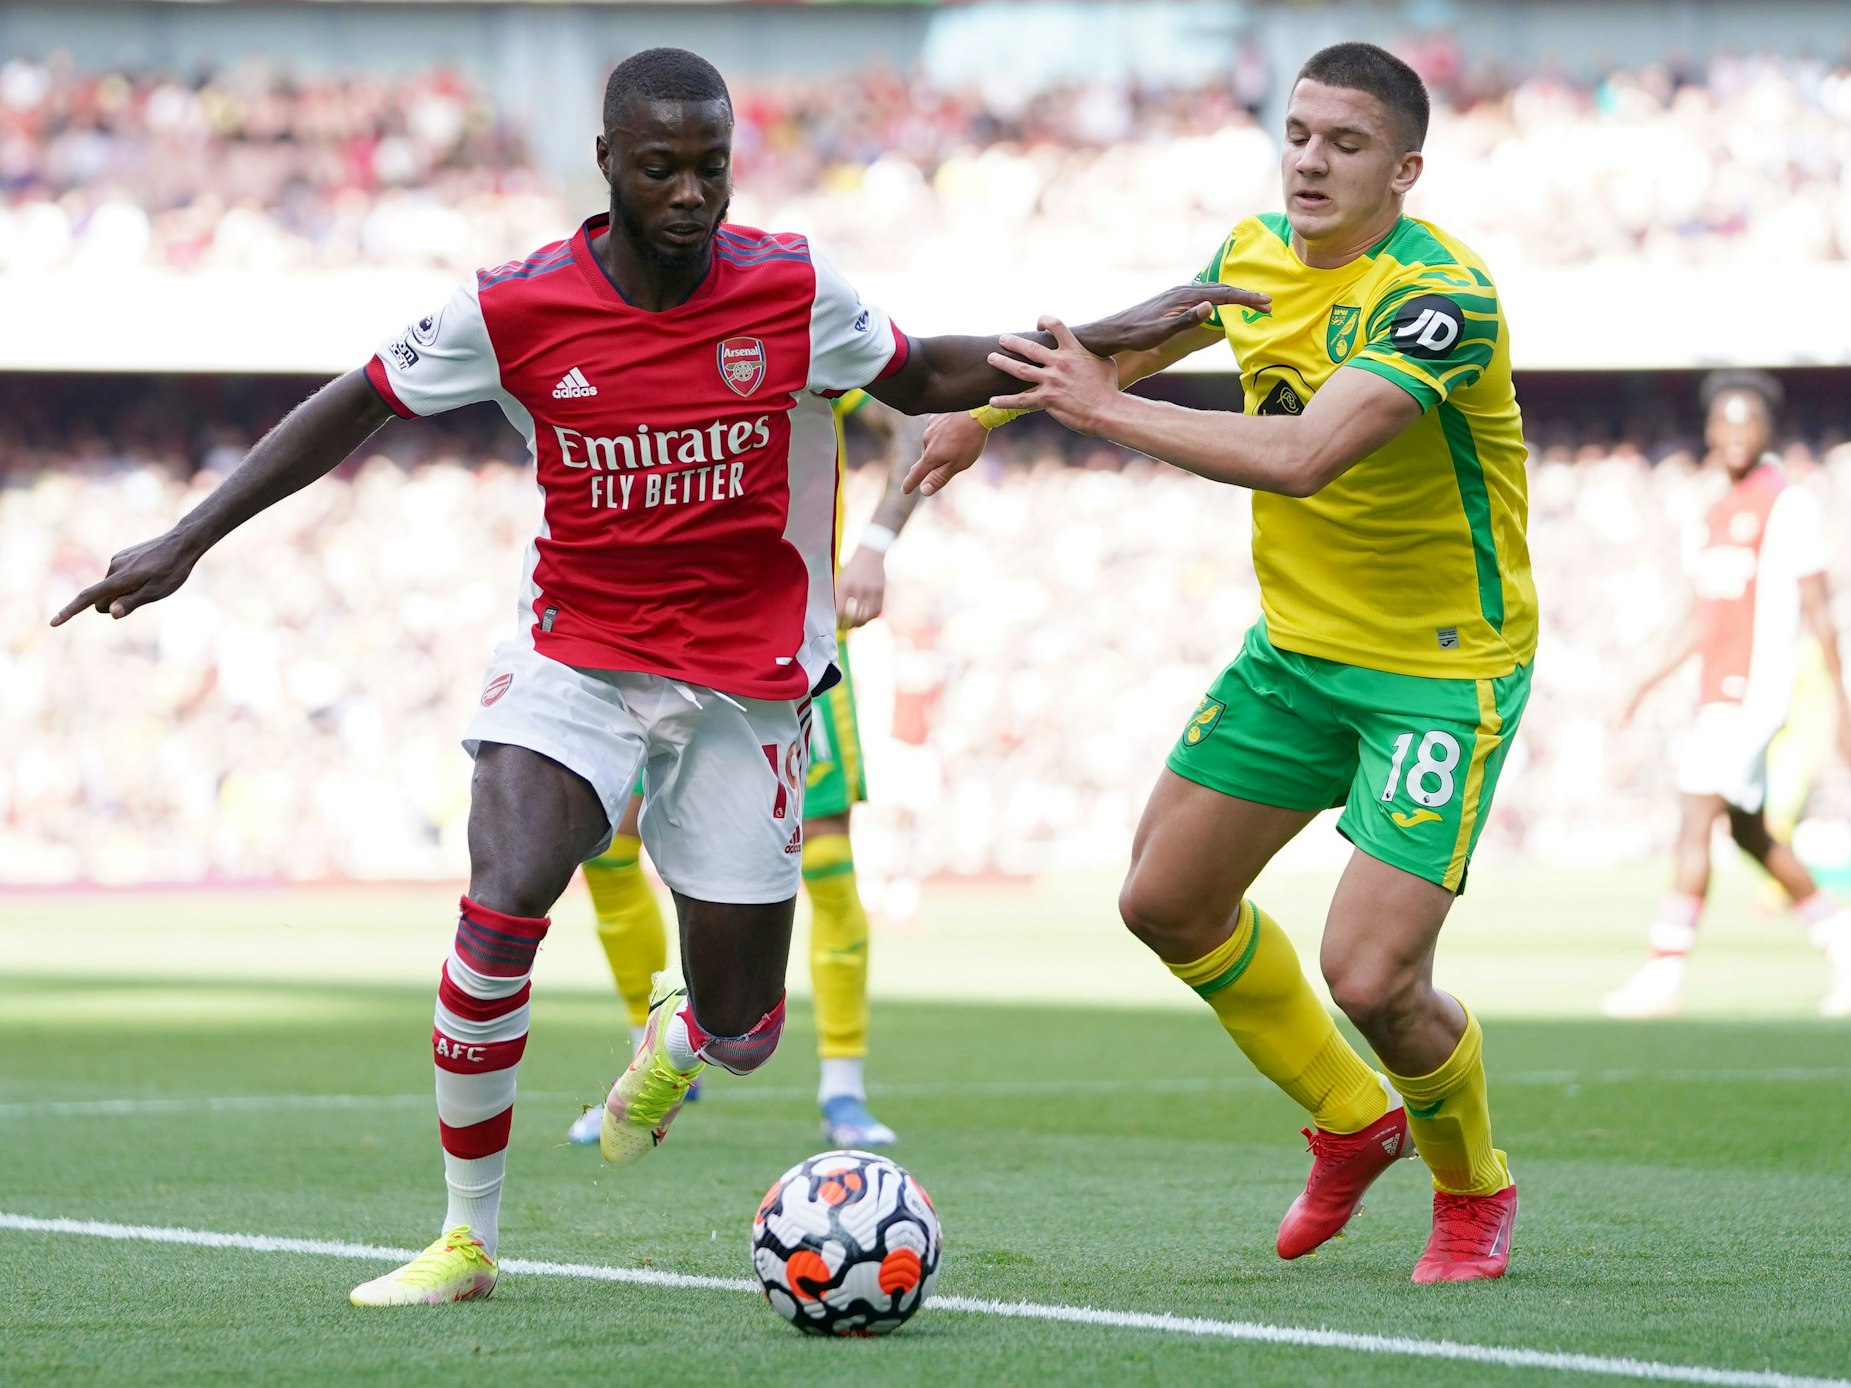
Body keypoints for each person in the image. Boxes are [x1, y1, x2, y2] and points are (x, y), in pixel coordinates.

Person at [51, 47, 1254, 1307]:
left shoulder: (792, 288)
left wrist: (1119, 329)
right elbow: (353, 403)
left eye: (712, 167)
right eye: (664, 168)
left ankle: (685, 1030)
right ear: (609, 165)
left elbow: (925, 371)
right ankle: (466, 1239)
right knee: (502, 899)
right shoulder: (515, 308)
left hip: (754, 678)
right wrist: (185, 537)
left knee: (744, 1033)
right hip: (579, 653)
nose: (691, 194)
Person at [909, 42, 1534, 1283]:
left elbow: (1305, 453)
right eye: (1299, 132)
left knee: (1373, 973)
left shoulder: (1441, 300)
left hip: (1436, 668)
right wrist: (982, 414)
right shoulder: (1250, 251)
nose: (1310, 158)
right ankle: (1353, 1122)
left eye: (1345, 143)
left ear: (1405, 169)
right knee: (1163, 900)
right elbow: (1129, 347)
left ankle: (1473, 1185)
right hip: (1298, 653)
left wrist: (1090, 410)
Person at [566, 388, 923, 1149]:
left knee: (824, 860)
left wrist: (876, 544)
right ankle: (655, 1059)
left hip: (789, 646)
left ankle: (843, 1091)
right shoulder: (649, 335)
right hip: (653, 638)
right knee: (606, 848)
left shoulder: (802, 329)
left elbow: (914, 418)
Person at [1604, 372, 1851, 1019]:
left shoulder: (1786, 504)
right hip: (1717, 692)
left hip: (1756, 690)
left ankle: (1662, 974)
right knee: (1745, 832)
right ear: (1710, 431)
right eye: (1725, 423)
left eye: (1749, 424)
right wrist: (1642, 684)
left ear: (1766, 432)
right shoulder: (1711, 512)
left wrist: (1841, 708)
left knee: (1694, 815)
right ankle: (1843, 947)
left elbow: (1817, 611)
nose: (1736, 434)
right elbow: (1699, 616)